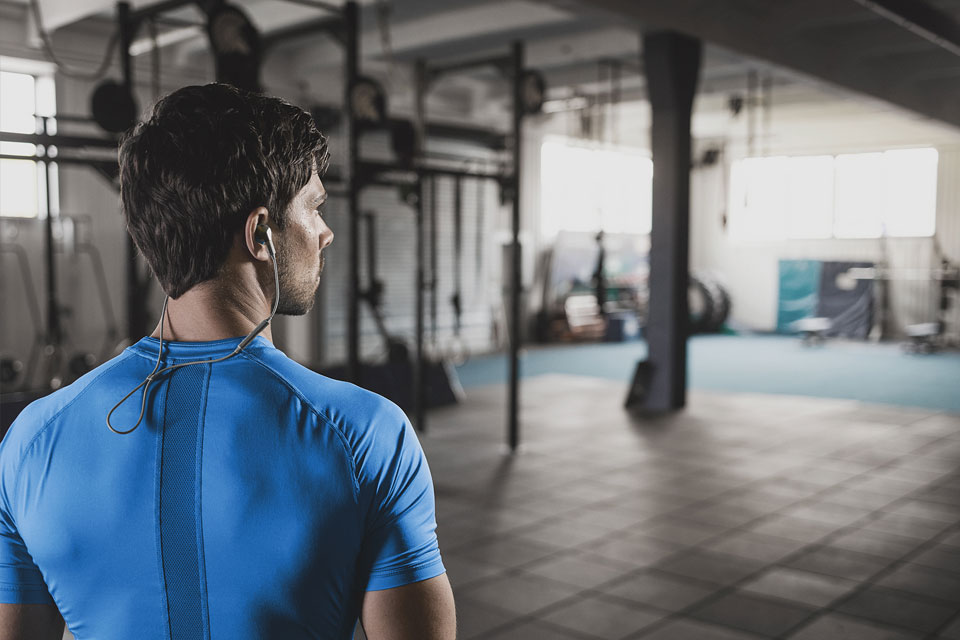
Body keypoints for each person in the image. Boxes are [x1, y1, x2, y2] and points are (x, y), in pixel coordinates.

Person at [0, 84, 455, 640]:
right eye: (314, 209)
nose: (326, 233)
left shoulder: (30, 441)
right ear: (261, 233)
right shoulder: (367, 436)